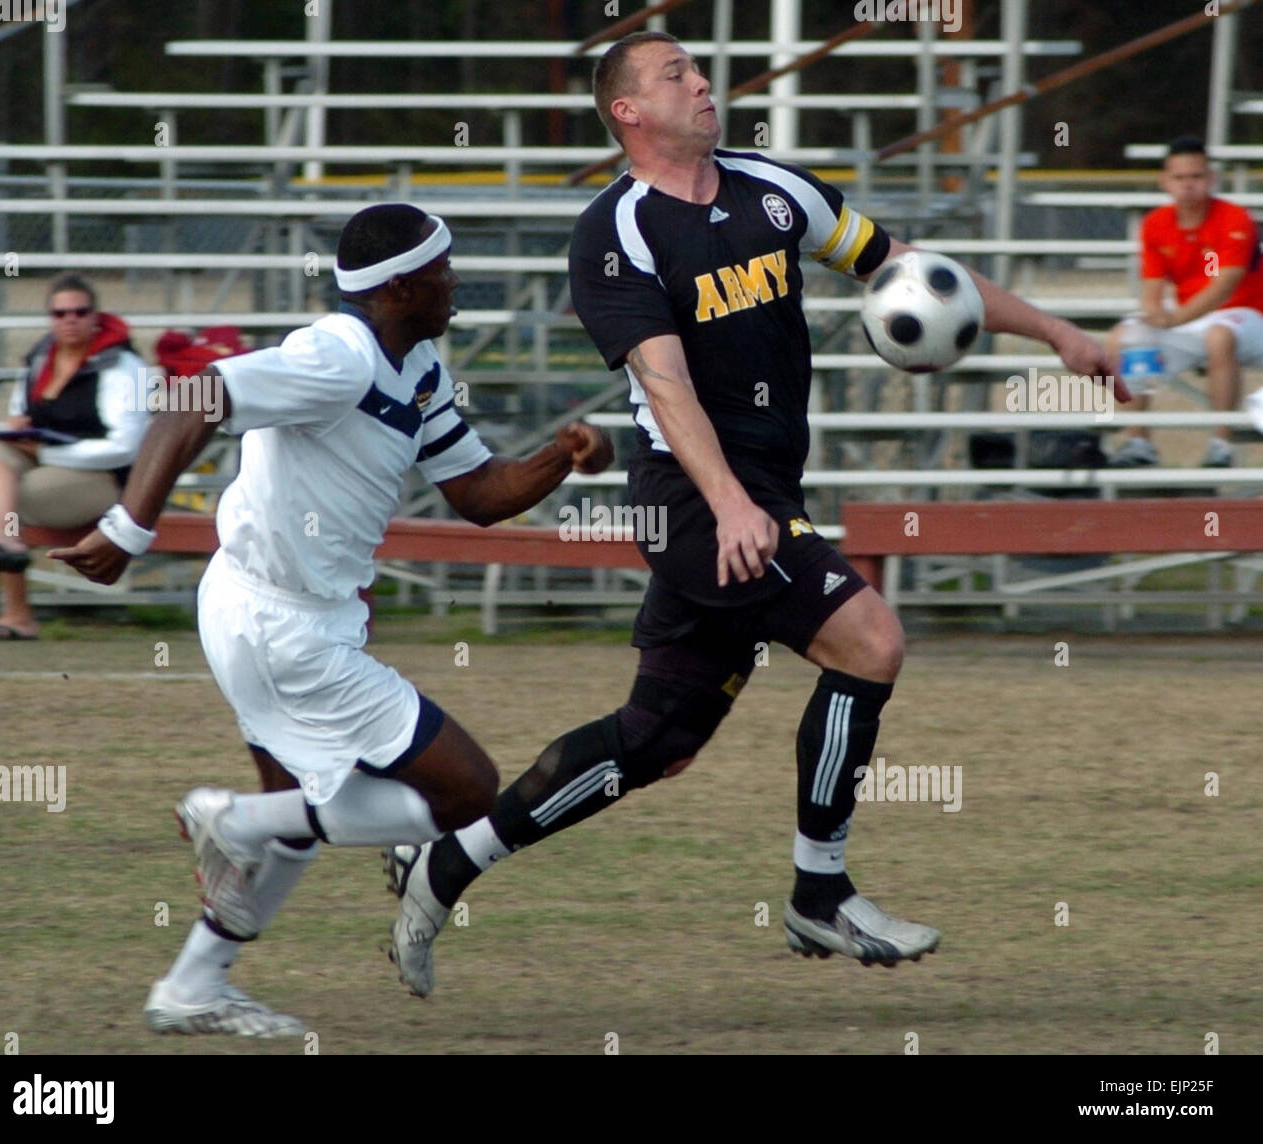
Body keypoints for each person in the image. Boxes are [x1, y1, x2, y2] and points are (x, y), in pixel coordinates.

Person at [383, 30, 1126, 997]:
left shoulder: (776, 191)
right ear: (629, 113)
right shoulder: (618, 231)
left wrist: (1060, 333)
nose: (701, 82)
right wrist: (733, 506)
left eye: (698, 66)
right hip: (694, 503)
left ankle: (448, 864)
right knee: (870, 641)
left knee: (656, 741)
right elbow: (666, 379)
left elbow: (912, 270)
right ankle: (821, 892)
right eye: (675, 74)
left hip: (763, 497)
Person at [50, 204, 614, 1036]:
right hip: (282, 628)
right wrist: (130, 526)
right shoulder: (337, 355)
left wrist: (561, 460)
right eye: (444, 271)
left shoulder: (415, 365)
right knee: (467, 792)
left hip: (277, 616)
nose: (457, 282)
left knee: (301, 820)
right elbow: (196, 391)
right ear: (397, 288)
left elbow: (481, 495)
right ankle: (228, 818)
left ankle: (193, 984)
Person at [0, 275, 150, 640]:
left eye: (80, 312)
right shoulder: (40, 357)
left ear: (95, 316)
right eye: (60, 312)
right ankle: (7, 544)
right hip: (44, 463)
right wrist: (18, 428)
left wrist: (47, 451)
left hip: (104, 478)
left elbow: (125, 447)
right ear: (50, 317)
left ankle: (18, 612)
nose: (70, 319)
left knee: (7, 497)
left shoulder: (125, 366)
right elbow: (21, 411)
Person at [1107, 135, 1263, 468]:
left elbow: (1225, 284)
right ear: (1164, 181)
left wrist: (1173, 320)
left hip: (1248, 317)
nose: (1188, 185)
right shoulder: (1155, 223)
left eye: (1196, 176)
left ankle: (1222, 442)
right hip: (1194, 320)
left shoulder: (1235, 218)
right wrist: (1152, 316)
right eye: (1179, 177)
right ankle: (1138, 441)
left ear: (1211, 178)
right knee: (1126, 335)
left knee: (1219, 335)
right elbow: (1151, 287)